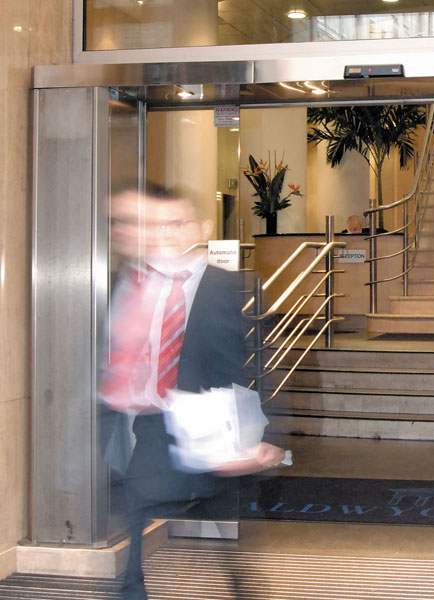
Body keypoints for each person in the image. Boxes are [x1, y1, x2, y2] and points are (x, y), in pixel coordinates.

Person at [101, 184, 286, 600]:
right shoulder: (128, 282)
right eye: (157, 224)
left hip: (214, 428)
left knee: (227, 528)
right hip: (154, 423)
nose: (166, 233)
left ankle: (242, 585)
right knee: (136, 506)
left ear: (199, 228)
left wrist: (270, 434)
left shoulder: (231, 286)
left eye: (176, 223)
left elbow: (261, 362)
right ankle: (131, 588)